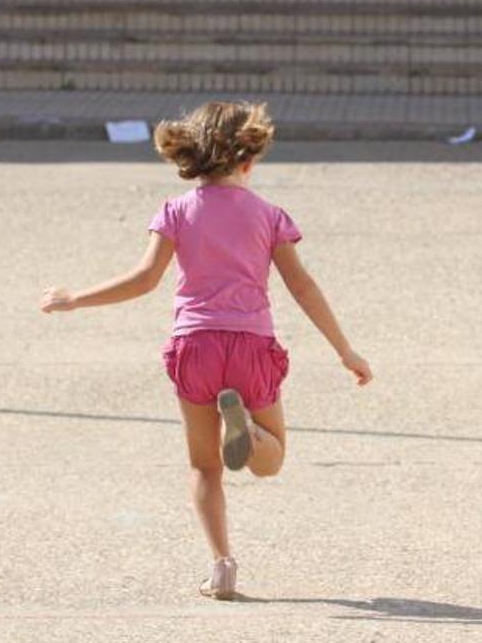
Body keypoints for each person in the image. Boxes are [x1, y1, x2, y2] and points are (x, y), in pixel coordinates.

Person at [39, 102, 373, 600]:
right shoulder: (268, 215)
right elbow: (302, 286)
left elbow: (145, 279)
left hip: (194, 345)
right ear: (250, 158)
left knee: (204, 467)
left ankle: (221, 566)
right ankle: (250, 434)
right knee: (270, 460)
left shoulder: (176, 211)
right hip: (250, 345)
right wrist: (345, 350)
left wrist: (76, 299)